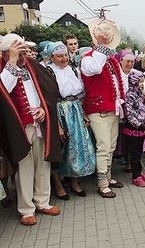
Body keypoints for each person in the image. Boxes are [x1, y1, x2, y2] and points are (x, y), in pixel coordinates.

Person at [0, 33, 62, 225]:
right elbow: (4, 89)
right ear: (5, 54)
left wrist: (44, 109)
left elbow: (46, 89)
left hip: (40, 124)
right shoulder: (4, 69)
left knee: (43, 164)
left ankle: (42, 201)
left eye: (23, 53)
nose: (22, 57)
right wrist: (11, 61)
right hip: (20, 127)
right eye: (18, 53)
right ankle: (26, 209)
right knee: (24, 169)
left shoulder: (32, 66)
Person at [80, 19, 125, 198]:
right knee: (104, 146)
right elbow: (95, 69)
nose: (107, 45)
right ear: (94, 42)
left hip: (113, 108)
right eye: (102, 41)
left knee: (111, 146)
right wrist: (101, 46)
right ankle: (102, 183)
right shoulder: (88, 59)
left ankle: (108, 176)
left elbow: (120, 83)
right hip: (98, 110)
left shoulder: (111, 61)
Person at [46, 41, 96, 199]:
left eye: (65, 55)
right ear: (51, 57)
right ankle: (59, 185)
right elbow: (48, 100)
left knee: (77, 147)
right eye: (59, 56)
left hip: (74, 110)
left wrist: (83, 114)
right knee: (60, 148)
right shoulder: (49, 72)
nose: (64, 58)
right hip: (59, 111)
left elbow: (79, 96)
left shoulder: (73, 69)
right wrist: (58, 125)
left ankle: (75, 182)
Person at [123, 70, 145, 187]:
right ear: (134, 81)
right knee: (134, 154)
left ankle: (139, 172)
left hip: (141, 128)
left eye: (143, 81)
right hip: (134, 129)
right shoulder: (129, 95)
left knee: (139, 153)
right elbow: (129, 115)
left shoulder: (140, 94)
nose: (142, 84)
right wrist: (140, 128)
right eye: (140, 82)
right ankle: (135, 176)